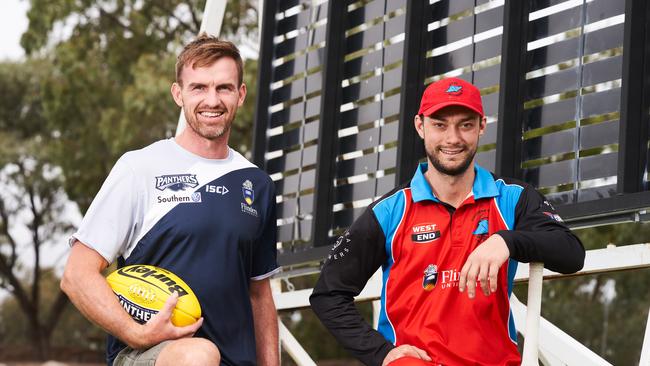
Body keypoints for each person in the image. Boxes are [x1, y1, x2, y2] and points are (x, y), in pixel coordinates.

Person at [309, 77, 585, 366]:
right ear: (420, 126)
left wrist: (507, 240)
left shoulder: (512, 198)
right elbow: (329, 294)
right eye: (440, 125)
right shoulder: (390, 211)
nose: (452, 139)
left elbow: (571, 253)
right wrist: (382, 353)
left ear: (481, 126)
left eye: (465, 125)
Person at [61, 34, 280, 366]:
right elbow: (77, 275)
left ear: (241, 94)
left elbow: (259, 295)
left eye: (223, 87)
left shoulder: (257, 185)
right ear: (178, 93)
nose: (212, 99)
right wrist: (135, 334)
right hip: (148, 354)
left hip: (234, 360)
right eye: (199, 88)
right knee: (199, 355)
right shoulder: (140, 168)